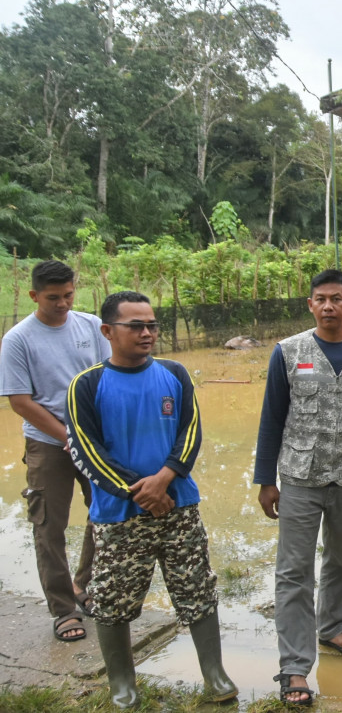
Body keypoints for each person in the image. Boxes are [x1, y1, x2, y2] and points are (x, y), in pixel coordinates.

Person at [65, 291, 236, 709]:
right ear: (108, 331)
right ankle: (123, 685)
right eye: (136, 326)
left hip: (179, 507)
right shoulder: (86, 385)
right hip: (118, 515)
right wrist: (139, 492)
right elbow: (85, 452)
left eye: (152, 325)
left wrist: (165, 478)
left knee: (196, 588)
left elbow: (191, 432)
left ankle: (214, 675)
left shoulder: (174, 374)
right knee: (112, 599)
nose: (147, 333)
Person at [253, 269, 342, 706]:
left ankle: (332, 626)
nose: (328, 306)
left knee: (341, 559)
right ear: (310, 304)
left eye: (336, 298)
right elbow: (272, 418)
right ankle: (294, 666)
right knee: (293, 572)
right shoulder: (288, 352)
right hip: (298, 477)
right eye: (320, 299)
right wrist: (265, 479)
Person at [0, 260, 109, 643]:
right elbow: (20, 401)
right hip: (48, 444)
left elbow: (106, 373)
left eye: (68, 295)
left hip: (94, 439)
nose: (62, 303)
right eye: (53, 298)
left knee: (106, 515)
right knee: (49, 527)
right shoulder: (17, 339)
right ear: (34, 296)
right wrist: (67, 435)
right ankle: (63, 609)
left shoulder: (91, 325)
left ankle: (86, 585)